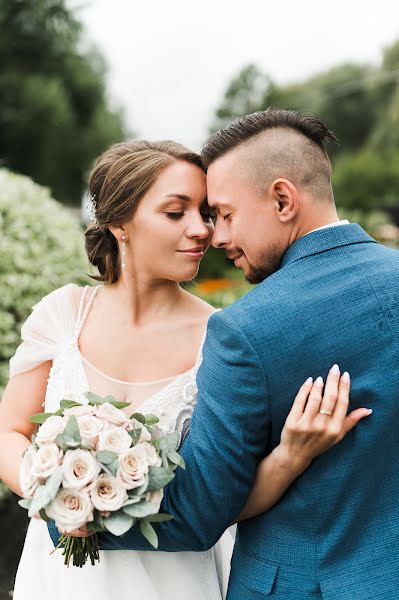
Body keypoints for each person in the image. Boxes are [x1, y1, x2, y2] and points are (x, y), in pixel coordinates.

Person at [0, 138, 368, 600]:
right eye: (176, 213)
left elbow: (219, 503)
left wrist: (290, 456)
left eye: (207, 213)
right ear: (119, 223)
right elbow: (9, 432)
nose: (204, 231)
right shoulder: (62, 315)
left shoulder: (223, 336)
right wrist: (61, 496)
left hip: (174, 579)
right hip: (61, 572)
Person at [76, 110, 399, 600]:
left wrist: (68, 509)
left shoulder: (244, 330)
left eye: (225, 214)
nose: (217, 237)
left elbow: (198, 512)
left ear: (283, 199)